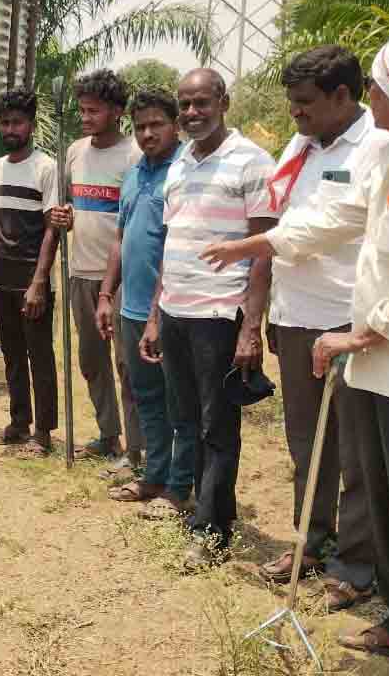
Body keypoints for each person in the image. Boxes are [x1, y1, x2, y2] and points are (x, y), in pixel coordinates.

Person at [202, 21, 389, 676]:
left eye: (380, 85)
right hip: (379, 370)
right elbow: (338, 215)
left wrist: (356, 335)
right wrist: (258, 245)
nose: (372, 94)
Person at [255, 46, 381, 610]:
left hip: (346, 317)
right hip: (295, 312)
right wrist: (272, 314)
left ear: (341, 97)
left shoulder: (377, 145)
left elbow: (335, 229)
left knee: (354, 449)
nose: (295, 114)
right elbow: (284, 220)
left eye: (304, 104)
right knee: (307, 444)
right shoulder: (303, 144)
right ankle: (311, 542)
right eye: (291, 104)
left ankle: (354, 567)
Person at [137, 68, 279, 569]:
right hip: (176, 311)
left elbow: (264, 252)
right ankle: (208, 509)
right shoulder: (179, 164)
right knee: (187, 420)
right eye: (186, 105)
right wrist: (155, 316)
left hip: (219, 314)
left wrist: (250, 327)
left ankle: (212, 534)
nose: (193, 113)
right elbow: (172, 246)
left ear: (223, 100)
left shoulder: (253, 163)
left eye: (202, 102)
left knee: (217, 426)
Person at [90, 90, 196, 516]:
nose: (148, 133)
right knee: (145, 396)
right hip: (130, 310)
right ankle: (154, 474)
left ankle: (179, 487)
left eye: (157, 124)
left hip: (171, 312)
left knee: (179, 403)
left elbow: (176, 248)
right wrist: (105, 295)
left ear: (175, 124)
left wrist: (156, 314)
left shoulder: (185, 173)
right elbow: (120, 238)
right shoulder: (134, 174)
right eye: (141, 127)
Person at [0, 88, 61, 457]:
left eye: (17, 122)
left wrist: (39, 282)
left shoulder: (46, 167)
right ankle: (18, 422)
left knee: (39, 355)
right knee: (11, 355)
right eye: (5, 122)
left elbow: (51, 229)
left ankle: (43, 433)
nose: (10, 128)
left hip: (30, 277)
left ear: (31, 126)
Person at [63, 69, 143, 473]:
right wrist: (65, 216)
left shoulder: (133, 155)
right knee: (91, 360)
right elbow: (71, 204)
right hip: (81, 273)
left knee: (128, 363)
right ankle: (108, 435)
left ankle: (138, 448)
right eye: (82, 110)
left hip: (124, 279)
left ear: (116, 111)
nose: (86, 117)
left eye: (93, 110)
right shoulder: (76, 151)